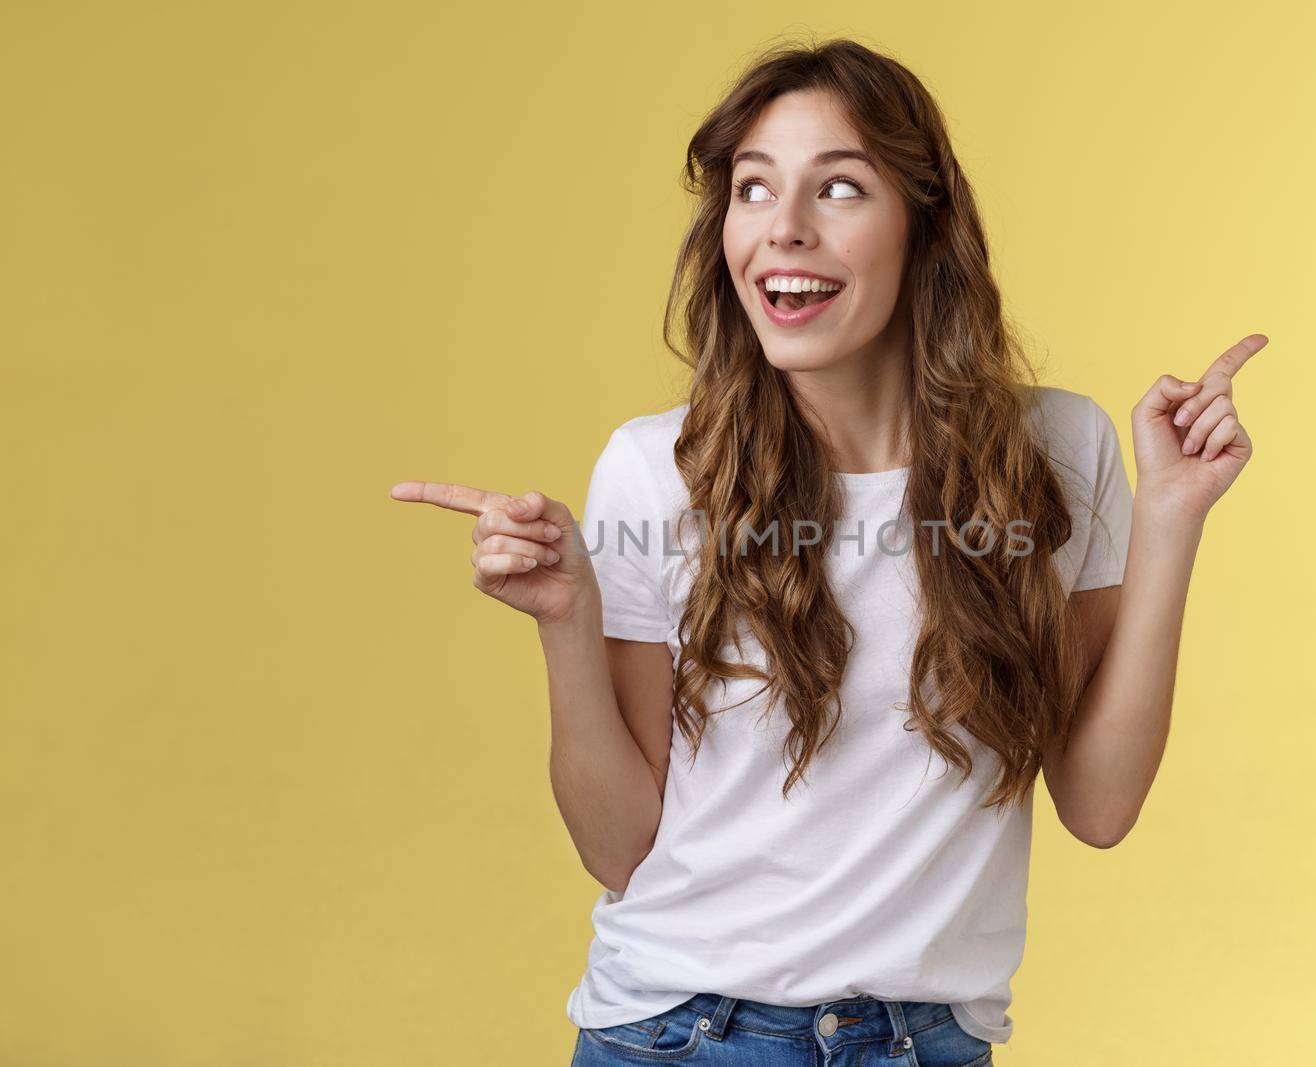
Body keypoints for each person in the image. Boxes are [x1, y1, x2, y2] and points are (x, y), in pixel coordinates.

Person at [391, 36, 1265, 1067]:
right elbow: (618, 847)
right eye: (751, 190)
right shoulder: (656, 469)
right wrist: (567, 623)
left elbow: (1101, 804)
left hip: (930, 1041)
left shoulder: (1056, 454)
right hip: (679, 1033)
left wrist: (1172, 519)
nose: (782, 231)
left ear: (923, 226)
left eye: (837, 188)